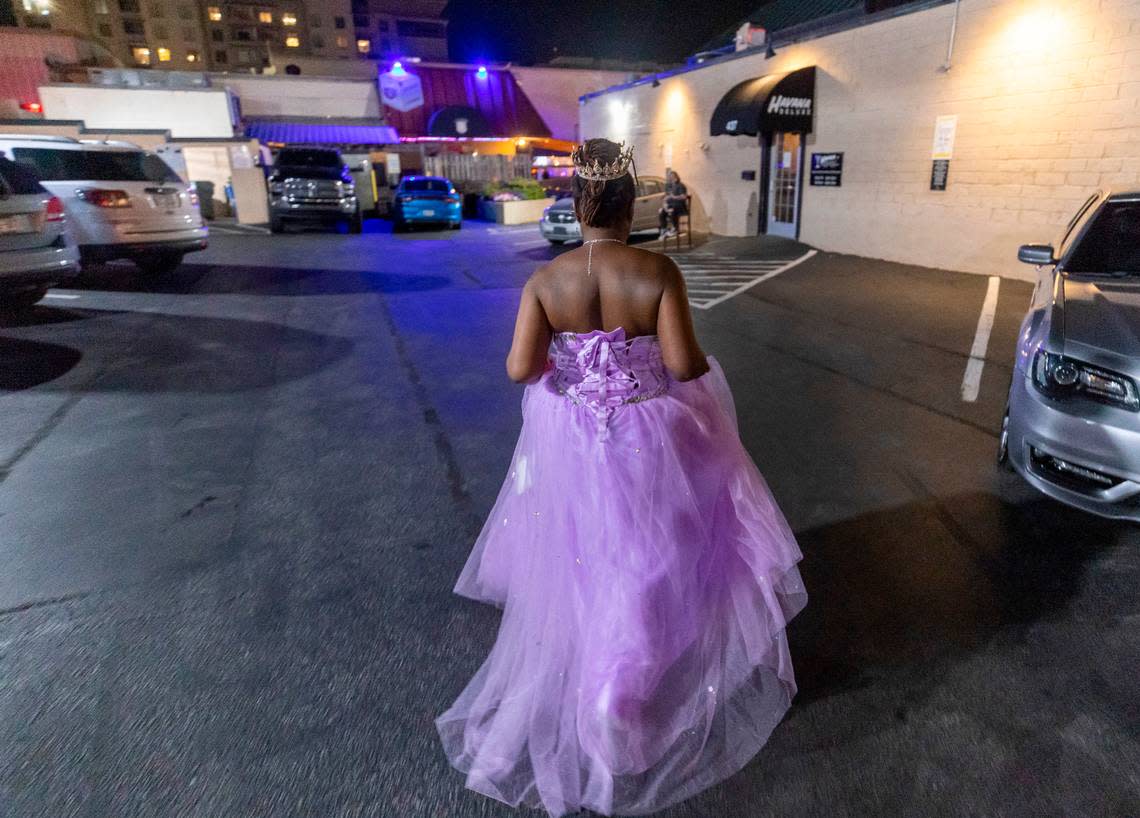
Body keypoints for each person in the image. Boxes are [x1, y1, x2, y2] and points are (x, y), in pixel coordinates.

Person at [436, 138, 806, 817]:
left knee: (585, 557)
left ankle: (598, 677)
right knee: (654, 556)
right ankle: (626, 682)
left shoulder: (546, 282)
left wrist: (574, 373)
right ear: (628, 201)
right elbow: (684, 363)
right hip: (648, 434)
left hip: (573, 436)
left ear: (577, 202)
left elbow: (520, 369)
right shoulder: (656, 270)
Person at [658, 169, 688, 237]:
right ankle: (664, 230)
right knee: (661, 211)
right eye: (670, 177)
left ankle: (675, 228)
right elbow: (667, 198)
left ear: (676, 177)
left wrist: (674, 197)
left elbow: (684, 197)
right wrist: (665, 204)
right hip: (671, 205)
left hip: (680, 206)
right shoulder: (671, 187)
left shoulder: (680, 185)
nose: (671, 179)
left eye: (672, 177)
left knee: (672, 209)